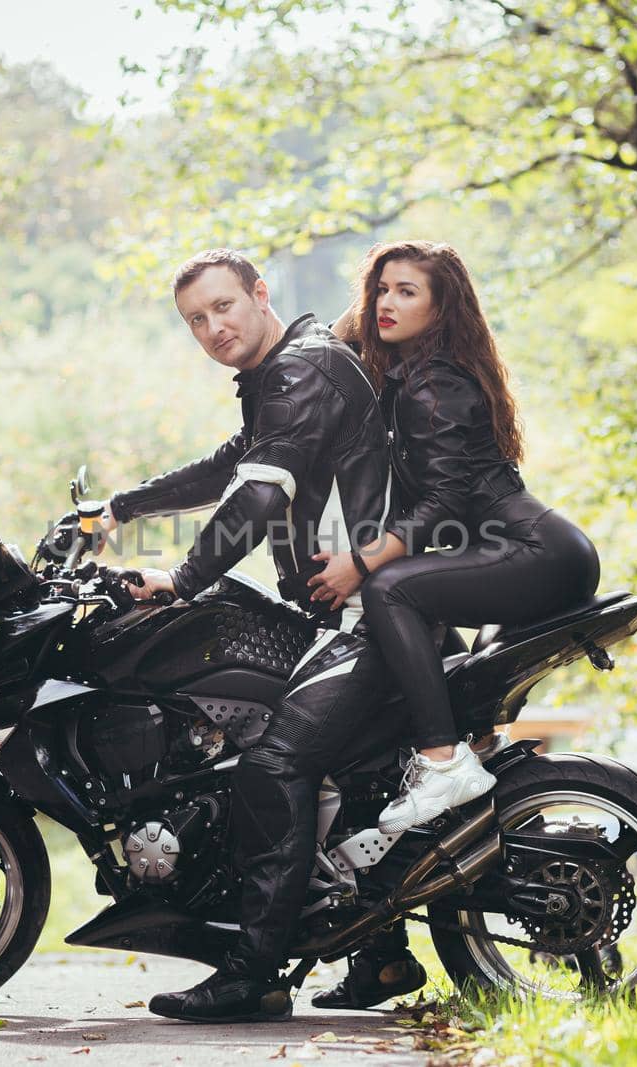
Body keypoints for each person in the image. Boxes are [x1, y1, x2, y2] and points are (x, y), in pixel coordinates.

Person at [96, 249, 394, 1023]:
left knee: (273, 764)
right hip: (353, 609)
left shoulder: (302, 369)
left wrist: (181, 580)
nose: (212, 327)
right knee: (299, 737)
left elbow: (260, 495)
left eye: (224, 306)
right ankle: (381, 954)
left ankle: (253, 973)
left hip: (373, 611)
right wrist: (120, 509)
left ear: (261, 296)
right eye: (196, 319)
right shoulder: (284, 377)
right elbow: (233, 465)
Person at [304, 240, 601, 1008]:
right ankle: (386, 944)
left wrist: (356, 566)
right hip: (524, 555)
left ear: (444, 308)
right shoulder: (416, 371)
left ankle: (441, 762)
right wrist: (368, 303)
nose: (386, 303)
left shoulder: (432, 381)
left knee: (395, 592)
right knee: (422, 651)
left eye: (407, 291)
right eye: (380, 290)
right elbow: (336, 343)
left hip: (533, 553)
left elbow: (440, 510)